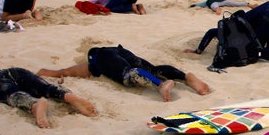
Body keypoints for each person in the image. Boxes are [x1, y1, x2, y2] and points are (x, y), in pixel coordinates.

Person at [36, 45, 210, 102]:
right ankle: (185, 77)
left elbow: (63, 71)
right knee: (154, 69)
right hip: (120, 50)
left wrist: (49, 73)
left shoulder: (92, 63)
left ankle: (160, 85)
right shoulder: (95, 63)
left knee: (127, 75)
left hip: (102, 54)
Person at [0, 67, 96, 128]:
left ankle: (34, 106)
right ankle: (69, 96)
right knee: (45, 88)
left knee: (12, 95)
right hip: (18, 71)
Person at [188, 2, 269, 62]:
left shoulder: (230, 28)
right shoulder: (243, 20)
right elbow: (211, 32)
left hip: (268, 14)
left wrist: (198, 51)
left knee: (257, 51)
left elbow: (211, 32)